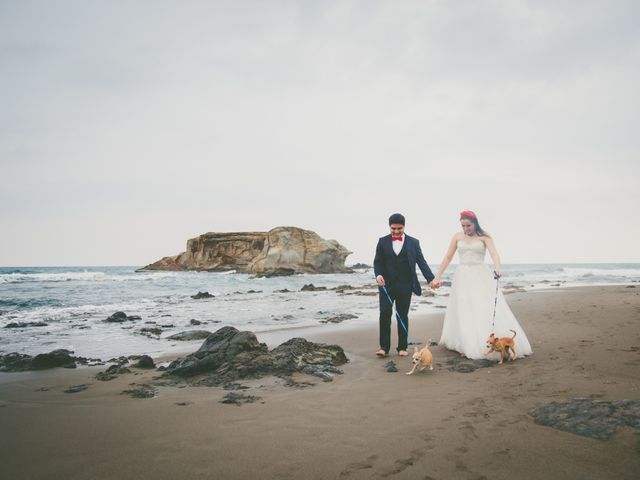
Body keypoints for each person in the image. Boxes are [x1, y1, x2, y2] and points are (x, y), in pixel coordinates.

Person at [432, 210, 533, 360]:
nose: (466, 229)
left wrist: (498, 268)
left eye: (468, 225)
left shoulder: (485, 237)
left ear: (475, 223)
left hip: (480, 274)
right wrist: (437, 276)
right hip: (462, 275)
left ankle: (489, 342)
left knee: (481, 306)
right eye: (463, 226)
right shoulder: (457, 236)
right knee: (464, 308)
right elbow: (448, 256)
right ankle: (465, 344)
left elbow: (494, 253)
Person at [373, 213, 435, 357]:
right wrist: (379, 275)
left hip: (405, 285)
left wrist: (430, 279)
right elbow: (378, 262)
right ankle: (383, 347)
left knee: (402, 315)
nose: (396, 232)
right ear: (389, 227)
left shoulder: (414, 242)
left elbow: (421, 262)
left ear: (404, 227)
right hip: (386, 286)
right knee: (384, 315)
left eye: (399, 229)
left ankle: (402, 347)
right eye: (393, 229)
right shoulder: (382, 241)